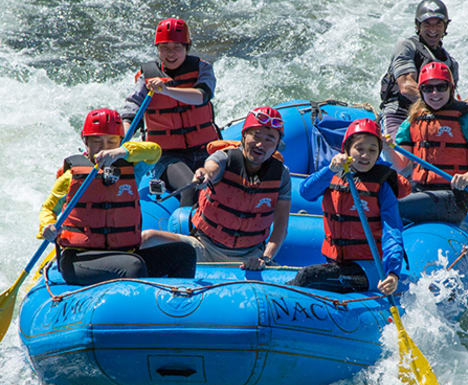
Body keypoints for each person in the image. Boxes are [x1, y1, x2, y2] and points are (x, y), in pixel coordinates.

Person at [37, 108, 196, 286]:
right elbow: (49, 208)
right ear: (85, 141)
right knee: (133, 267)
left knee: (184, 254)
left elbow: (155, 151)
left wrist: (122, 152)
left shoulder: (132, 167)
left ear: (120, 142)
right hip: (80, 258)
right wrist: (47, 226)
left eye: (111, 141)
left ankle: (176, 307)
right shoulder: (71, 177)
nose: (104, 147)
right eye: (97, 141)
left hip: (124, 252)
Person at [141, 107, 291, 270]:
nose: (261, 144)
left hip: (248, 258)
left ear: (277, 144)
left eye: (270, 139)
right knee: (147, 238)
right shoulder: (225, 158)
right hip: (204, 247)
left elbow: (281, 226)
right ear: (244, 136)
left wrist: (265, 259)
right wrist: (203, 174)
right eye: (256, 136)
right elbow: (211, 167)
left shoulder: (281, 177)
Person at [288, 119, 408, 295]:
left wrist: (392, 273)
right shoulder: (333, 174)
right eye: (359, 149)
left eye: (372, 150)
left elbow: (392, 231)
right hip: (336, 262)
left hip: (370, 269)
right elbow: (307, 192)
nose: (365, 155)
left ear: (378, 154)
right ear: (346, 150)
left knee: (307, 277)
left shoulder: (382, 185)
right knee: (309, 278)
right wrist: (329, 170)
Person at [120, 17, 218, 207]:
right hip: (166, 155)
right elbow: (131, 111)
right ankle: (187, 233)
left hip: (205, 149)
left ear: (186, 47)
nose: (170, 53)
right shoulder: (146, 77)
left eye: (177, 48)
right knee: (191, 186)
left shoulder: (202, 68)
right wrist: (121, 141)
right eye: (164, 48)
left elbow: (201, 96)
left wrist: (166, 90)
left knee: (223, 187)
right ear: (157, 49)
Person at [391, 61, 468, 224]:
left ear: (451, 89)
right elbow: (400, 163)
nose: (435, 93)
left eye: (441, 87)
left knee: (390, 206)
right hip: (420, 189)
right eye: (428, 88)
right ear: (421, 90)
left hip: (454, 198)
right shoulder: (414, 120)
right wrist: (386, 146)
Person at [379, 0, 459, 140]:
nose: (433, 29)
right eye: (427, 24)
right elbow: (406, 86)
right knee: (400, 158)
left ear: (445, 26)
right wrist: (436, 102)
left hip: (432, 118)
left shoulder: (451, 64)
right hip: (399, 114)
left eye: (438, 24)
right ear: (418, 26)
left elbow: (450, 98)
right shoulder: (407, 47)